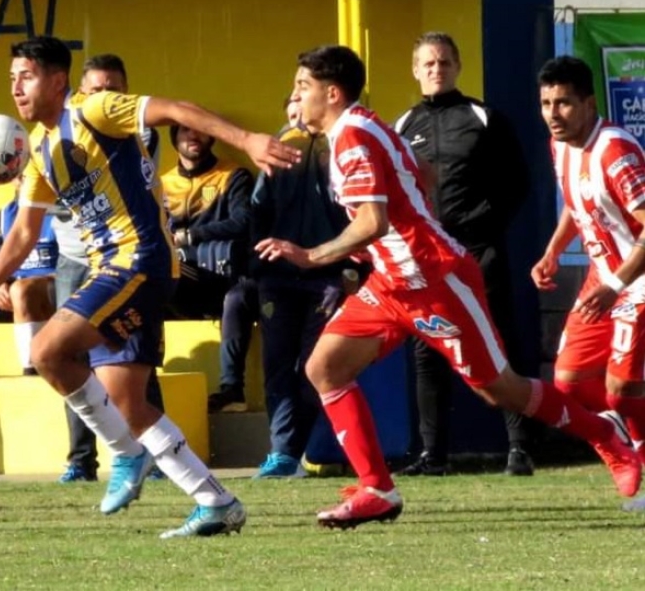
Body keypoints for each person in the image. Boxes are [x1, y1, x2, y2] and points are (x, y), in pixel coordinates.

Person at [256, 45, 640, 529]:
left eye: (302, 88)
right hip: (393, 283)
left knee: (500, 389)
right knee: (325, 368)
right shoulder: (365, 127)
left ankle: (605, 436)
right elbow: (421, 175)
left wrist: (312, 254)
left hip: (435, 281)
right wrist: (401, 225)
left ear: (331, 93)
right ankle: (377, 489)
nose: (295, 98)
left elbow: (373, 220)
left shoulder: (352, 138)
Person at [0, 36, 298, 537]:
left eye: (25, 76)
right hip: (115, 270)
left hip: (137, 259)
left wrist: (245, 140)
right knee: (127, 403)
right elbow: (23, 235)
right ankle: (215, 501)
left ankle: (125, 456)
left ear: (55, 80)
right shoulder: (44, 153)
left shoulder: (94, 109)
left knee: (49, 351)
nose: (16, 88)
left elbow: (176, 108)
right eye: (11, 78)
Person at [394, 32, 534, 477]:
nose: (437, 70)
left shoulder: (483, 117)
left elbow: (517, 182)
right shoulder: (400, 127)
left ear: (458, 67)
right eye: (428, 64)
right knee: (427, 349)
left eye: (444, 63)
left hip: (477, 251)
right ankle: (433, 456)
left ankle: (519, 448)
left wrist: (484, 226)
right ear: (415, 70)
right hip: (426, 258)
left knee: (497, 342)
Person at [54, 53, 167, 483]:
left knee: (135, 355)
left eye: (114, 90)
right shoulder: (56, 133)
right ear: (80, 90)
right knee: (66, 357)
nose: (104, 98)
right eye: (96, 89)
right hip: (74, 259)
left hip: (124, 262)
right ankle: (81, 460)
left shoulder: (135, 133)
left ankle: (151, 453)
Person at [532, 56, 645, 480]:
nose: (552, 114)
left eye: (563, 103)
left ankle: (636, 454)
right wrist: (552, 251)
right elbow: (579, 204)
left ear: (590, 104)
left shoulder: (614, 151)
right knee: (570, 382)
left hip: (636, 280)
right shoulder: (560, 145)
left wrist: (617, 283)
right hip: (605, 277)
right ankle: (621, 441)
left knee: (619, 391)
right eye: (546, 103)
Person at [249, 101, 352, 478]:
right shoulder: (279, 145)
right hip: (277, 276)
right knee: (278, 363)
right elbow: (257, 207)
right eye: (291, 103)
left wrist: (350, 266)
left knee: (315, 365)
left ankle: (305, 449)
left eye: (303, 97)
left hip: (327, 275)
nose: (297, 111)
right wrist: (257, 264)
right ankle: (282, 452)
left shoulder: (342, 142)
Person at [162, 124, 259, 420]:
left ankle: (232, 390)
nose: (193, 136)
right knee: (152, 277)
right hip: (185, 284)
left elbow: (244, 222)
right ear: (174, 138)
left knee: (238, 297)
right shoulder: (161, 183)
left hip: (228, 278)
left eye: (199, 131)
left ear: (211, 136)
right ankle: (146, 381)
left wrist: (191, 236)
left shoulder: (234, 175)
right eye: (184, 132)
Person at [0, 178, 58, 375]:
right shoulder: (5, 214)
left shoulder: (64, 211)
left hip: (55, 289)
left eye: (28, 171)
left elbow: (76, 265)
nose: (22, 177)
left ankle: (32, 372)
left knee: (22, 290)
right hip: (11, 294)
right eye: (18, 173)